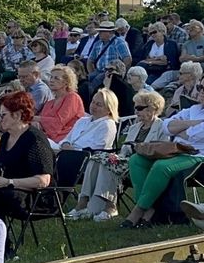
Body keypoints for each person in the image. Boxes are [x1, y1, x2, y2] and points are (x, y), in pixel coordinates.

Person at [69, 91, 169, 222]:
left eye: (140, 108)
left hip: (146, 163)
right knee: (97, 159)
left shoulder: (162, 127)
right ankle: (85, 202)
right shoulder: (134, 128)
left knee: (107, 163)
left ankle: (109, 207)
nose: (136, 111)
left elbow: (162, 150)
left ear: (153, 109)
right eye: (135, 107)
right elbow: (124, 150)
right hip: (127, 161)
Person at [122, 78, 204, 228]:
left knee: (161, 166)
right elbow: (166, 126)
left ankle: (138, 210)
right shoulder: (193, 110)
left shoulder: (191, 112)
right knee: (136, 160)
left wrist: (183, 129)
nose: (201, 91)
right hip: (177, 150)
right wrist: (192, 124)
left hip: (198, 155)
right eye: (200, 87)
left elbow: (197, 134)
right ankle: (151, 209)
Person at [0, 92, 54, 220]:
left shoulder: (35, 139)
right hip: (11, 189)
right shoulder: (6, 137)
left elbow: (43, 180)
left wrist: (8, 182)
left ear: (18, 115)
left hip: (38, 197)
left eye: (3, 115)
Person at [49, 88, 117, 152]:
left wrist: (72, 150)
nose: (94, 106)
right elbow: (67, 139)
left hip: (82, 159)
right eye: (93, 102)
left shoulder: (107, 125)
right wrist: (65, 144)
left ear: (109, 109)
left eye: (98, 105)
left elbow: (97, 150)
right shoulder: (82, 120)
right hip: (64, 151)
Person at [35, 65, 86, 143]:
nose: (51, 80)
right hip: (47, 137)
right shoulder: (49, 103)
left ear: (66, 82)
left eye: (56, 78)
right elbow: (42, 122)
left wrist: (34, 118)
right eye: (51, 77)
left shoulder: (72, 97)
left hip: (67, 139)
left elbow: (59, 122)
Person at [136, 21, 181, 89]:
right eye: (150, 33)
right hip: (149, 70)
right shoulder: (149, 44)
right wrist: (158, 59)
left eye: (154, 32)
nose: (152, 35)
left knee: (147, 83)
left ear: (162, 31)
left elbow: (169, 62)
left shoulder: (171, 44)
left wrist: (150, 61)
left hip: (164, 71)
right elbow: (143, 59)